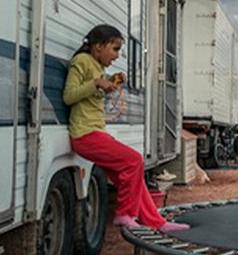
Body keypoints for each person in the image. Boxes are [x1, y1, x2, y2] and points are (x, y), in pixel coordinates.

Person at [63, 24, 189, 232]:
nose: (117, 55)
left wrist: (109, 83)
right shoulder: (81, 62)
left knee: (133, 178)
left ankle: (156, 222)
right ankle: (124, 214)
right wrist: (96, 83)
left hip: (96, 131)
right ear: (98, 46)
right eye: (115, 49)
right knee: (133, 161)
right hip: (84, 134)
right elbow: (69, 96)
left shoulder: (98, 66)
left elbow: (91, 95)